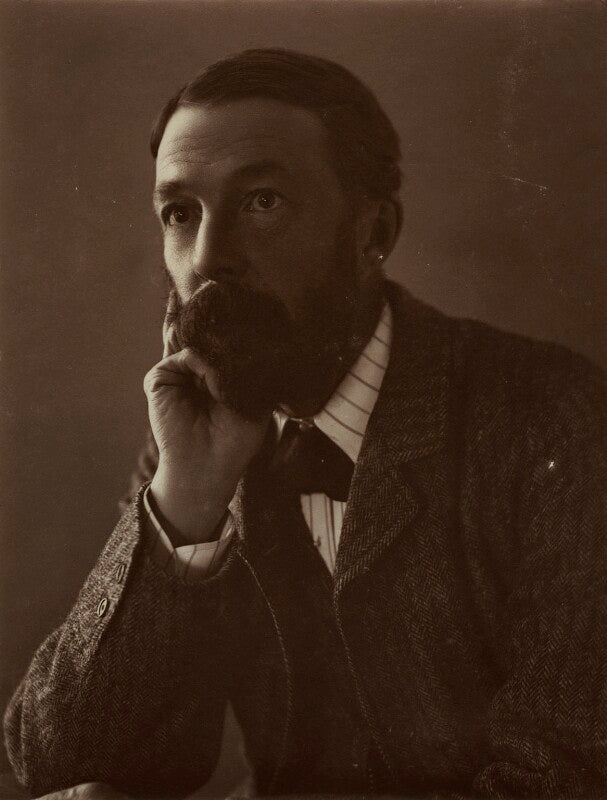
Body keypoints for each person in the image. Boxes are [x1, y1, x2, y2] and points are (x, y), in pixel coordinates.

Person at [4, 48, 607, 800]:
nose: (208, 259)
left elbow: (561, 779)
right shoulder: (194, 439)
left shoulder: (554, 418)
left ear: (371, 231)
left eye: (262, 202)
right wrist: (184, 502)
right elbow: (57, 764)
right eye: (180, 214)